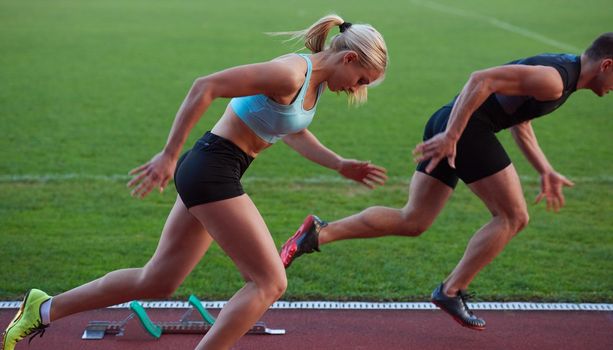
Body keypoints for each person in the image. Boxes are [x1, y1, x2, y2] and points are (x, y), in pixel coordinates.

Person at [2, 14, 388, 350]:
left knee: (159, 279)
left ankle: (44, 308)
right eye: (361, 79)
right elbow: (206, 86)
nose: (357, 89)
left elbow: (291, 130)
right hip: (211, 169)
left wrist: (340, 164)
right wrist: (168, 154)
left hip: (215, 169)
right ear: (349, 58)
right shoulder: (290, 73)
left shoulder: (314, 84)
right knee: (269, 282)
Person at [281, 32, 613, 331]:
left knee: (414, 220)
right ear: (607, 65)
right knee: (513, 217)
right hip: (465, 130)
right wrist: (453, 136)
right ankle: (451, 290)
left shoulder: (562, 76)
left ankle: (318, 233)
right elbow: (480, 80)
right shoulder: (555, 80)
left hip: (449, 123)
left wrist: (544, 169)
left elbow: (519, 121)